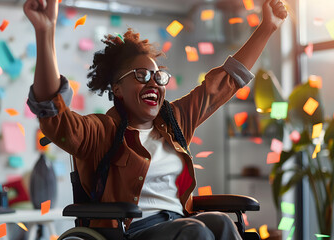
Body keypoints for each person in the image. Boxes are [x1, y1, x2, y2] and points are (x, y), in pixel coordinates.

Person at [24, 0, 287, 239]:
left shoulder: (175, 121)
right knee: (195, 231)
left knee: (221, 222)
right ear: (117, 88)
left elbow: (225, 82)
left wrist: (267, 28)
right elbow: (53, 113)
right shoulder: (101, 131)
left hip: (181, 223)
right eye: (141, 75)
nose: (153, 83)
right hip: (134, 230)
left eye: (158, 77)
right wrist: (45, 31)